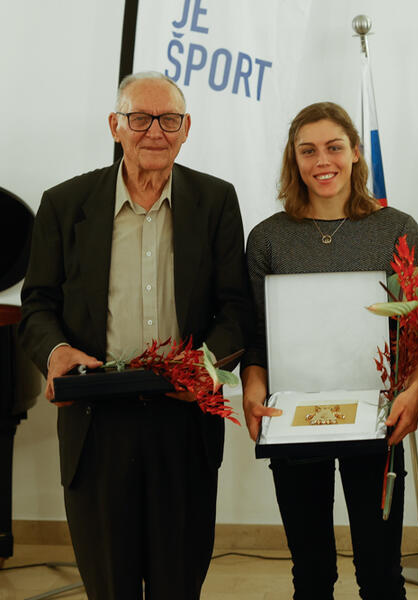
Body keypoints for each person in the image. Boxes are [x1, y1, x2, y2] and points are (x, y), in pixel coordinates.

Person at [18, 71, 252, 599]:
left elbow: (235, 308)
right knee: (110, 586)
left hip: (184, 421)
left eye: (168, 119)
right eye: (140, 118)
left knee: (178, 584)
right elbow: (38, 306)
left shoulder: (215, 201)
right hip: (97, 425)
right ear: (115, 126)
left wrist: (206, 364)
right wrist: (55, 353)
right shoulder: (64, 204)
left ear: (186, 127)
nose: (154, 131)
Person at [241, 102, 418, 599]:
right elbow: (257, 337)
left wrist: (414, 392)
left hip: (377, 419)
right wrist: (252, 389)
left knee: (382, 574)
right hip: (295, 419)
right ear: (294, 160)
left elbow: (416, 332)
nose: (322, 161)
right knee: (313, 575)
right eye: (308, 150)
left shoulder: (397, 229)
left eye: (334, 147)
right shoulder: (267, 240)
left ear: (356, 153)